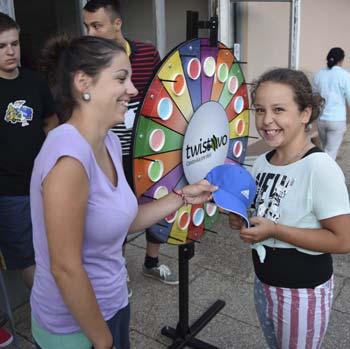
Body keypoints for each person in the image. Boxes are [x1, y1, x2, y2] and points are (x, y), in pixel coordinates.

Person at [30, 34, 217, 349]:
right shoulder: (69, 159)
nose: (132, 90)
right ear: (83, 83)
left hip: (112, 303)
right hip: (76, 327)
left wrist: (184, 195)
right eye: (121, 78)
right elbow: (65, 268)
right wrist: (103, 341)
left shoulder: (110, 141)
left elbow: (121, 220)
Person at [229, 68, 350, 348]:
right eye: (259, 110)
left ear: (305, 113)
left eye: (279, 109)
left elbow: (343, 240)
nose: (266, 120)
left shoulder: (319, 167)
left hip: (302, 292)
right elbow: (272, 212)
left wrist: (276, 231)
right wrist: (244, 219)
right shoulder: (261, 162)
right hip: (264, 283)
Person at [82, 0, 178, 288]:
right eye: (87, 26)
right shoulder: (88, 59)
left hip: (149, 150)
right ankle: (117, 272)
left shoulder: (147, 53)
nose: (91, 32)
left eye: (96, 25)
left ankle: (151, 261)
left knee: (156, 202)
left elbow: (164, 91)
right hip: (111, 153)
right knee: (116, 213)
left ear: (117, 24)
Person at [0, 12, 57, 347]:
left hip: (44, 187)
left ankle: (55, 307)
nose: (11, 51)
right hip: (8, 194)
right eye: (2, 46)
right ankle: (52, 314)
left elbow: (51, 124)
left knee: (51, 251)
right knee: (27, 259)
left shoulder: (35, 82)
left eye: (14, 43)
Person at [313, 47, 350, 160]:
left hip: (321, 119)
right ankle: (325, 175)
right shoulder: (344, 75)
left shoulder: (319, 74)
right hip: (337, 120)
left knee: (325, 150)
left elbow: (314, 95)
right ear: (341, 60)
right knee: (331, 153)